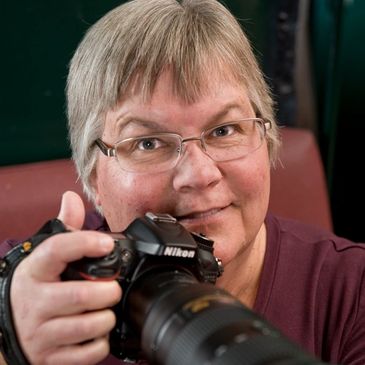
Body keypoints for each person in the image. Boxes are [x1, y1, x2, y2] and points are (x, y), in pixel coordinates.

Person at [0, 0, 364, 364]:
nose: (200, 175)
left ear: (266, 139)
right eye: (148, 143)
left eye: (224, 130)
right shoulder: (32, 289)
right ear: (93, 175)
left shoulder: (350, 292)